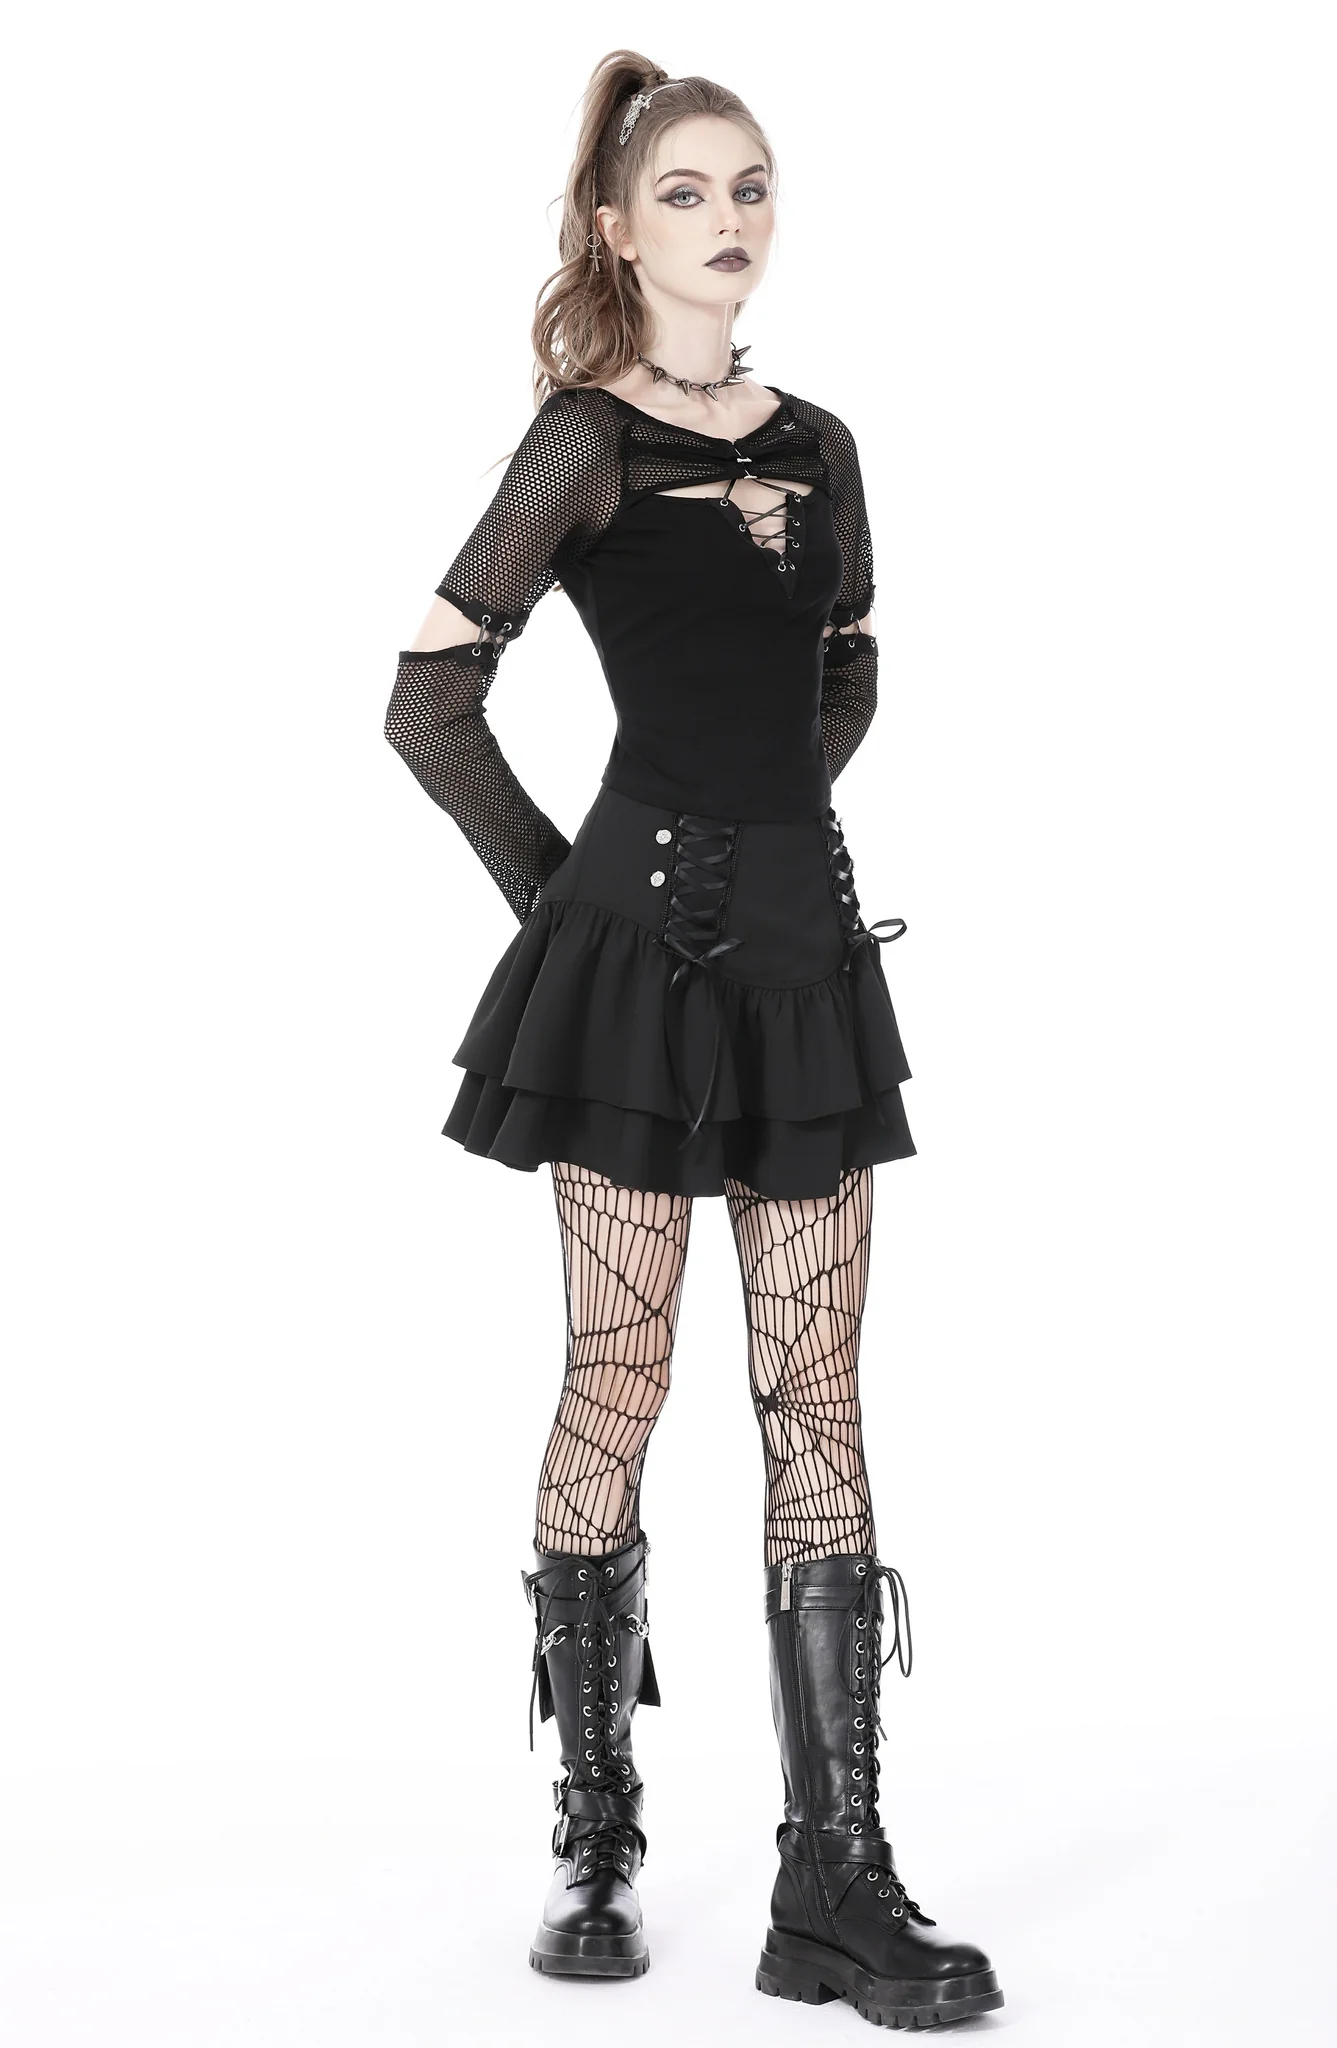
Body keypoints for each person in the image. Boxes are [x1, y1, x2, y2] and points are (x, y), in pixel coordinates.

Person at [383, 48, 1004, 2028]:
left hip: (803, 951)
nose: (728, 220)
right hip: (632, 966)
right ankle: (598, 1828)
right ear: (614, 225)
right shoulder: (581, 440)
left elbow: (850, 661)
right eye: (686, 193)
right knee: (619, 1376)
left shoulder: (822, 443)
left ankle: (836, 1876)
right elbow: (426, 699)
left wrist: (769, 835)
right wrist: (571, 901)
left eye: (751, 188)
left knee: (819, 1392)